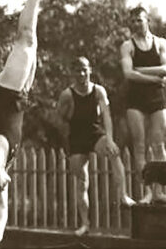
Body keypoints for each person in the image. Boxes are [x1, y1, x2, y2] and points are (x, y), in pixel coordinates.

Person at [0, 0, 60, 248]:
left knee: (25, 39)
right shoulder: (6, 166)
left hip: (6, 94)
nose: (5, 183)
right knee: (33, 44)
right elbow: (3, 207)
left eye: (1, 182)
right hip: (20, 96)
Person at [57, 57, 136, 236]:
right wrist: (67, 143)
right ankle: (85, 223)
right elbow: (59, 119)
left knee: (114, 153)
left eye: (84, 70)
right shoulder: (67, 95)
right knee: (82, 181)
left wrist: (109, 139)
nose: (82, 74)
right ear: (72, 73)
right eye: (78, 70)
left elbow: (106, 116)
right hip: (76, 136)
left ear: (90, 70)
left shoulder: (98, 91)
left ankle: (123, 196)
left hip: (94, 133)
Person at [119, 6, 166, 205]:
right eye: (132, 21)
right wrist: (153, 79)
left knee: (159, 145)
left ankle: (160, 191)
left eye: (139, 20)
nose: (136, 24)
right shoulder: (128, 45)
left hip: (157, 99)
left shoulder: (161, 42)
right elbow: (128, 74)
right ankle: (148, 191)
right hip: (136, 100)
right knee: (140, 146)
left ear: (147, 20)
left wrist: (140, 70)